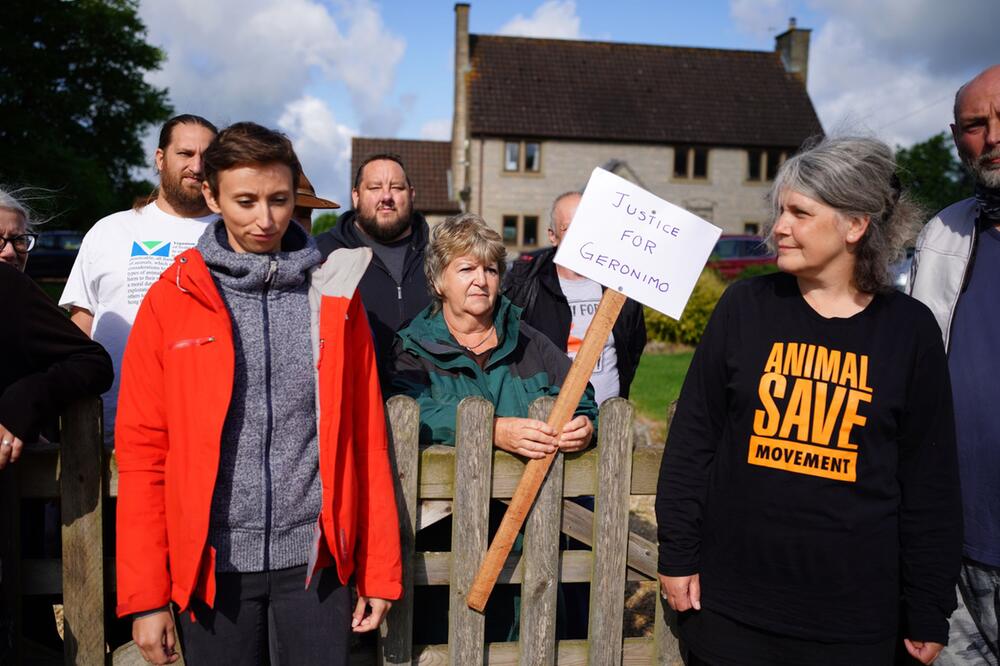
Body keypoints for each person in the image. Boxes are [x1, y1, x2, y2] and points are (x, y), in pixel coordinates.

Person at [656, 136, 962, 666]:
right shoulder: (746, 307)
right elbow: (693, 442)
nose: (779, 227)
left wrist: (928, 603)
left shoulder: (908, 331)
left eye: (799, 212)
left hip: (855, 622)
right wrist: (678, 553)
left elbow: (929, 480)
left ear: (855, 225)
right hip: (732, 611)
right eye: (780, 210)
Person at [114, 122, 401, 665]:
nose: (265, 219)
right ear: (211, 195)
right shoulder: (172, 298)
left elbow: (367, 441)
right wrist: (147, 597)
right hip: (212, 568)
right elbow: (144, 454)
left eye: (279, 200)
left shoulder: (335, 294)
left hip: (317, 566)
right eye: (245, 201)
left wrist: (378, 569)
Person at [390, 213, 597, 641]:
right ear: (439, 280)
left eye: (490, 268)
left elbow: (584, 396)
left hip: (533, 537)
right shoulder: (411, 348)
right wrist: (494, 431)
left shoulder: (530, 343)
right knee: (449, 640)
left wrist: (586, 425)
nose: (480, 280)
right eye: (466, 268)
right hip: (444, 538)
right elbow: (408, 411)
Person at [909, 64, 1000, 666]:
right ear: (956, 137)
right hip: (957, 545)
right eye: (976, 124)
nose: (992, 137)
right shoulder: (943, 232)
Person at [0, 189, 113, 661]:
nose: (8, 251)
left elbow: (92, 360)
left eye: (18, 240)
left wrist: (24, 398)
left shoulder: (10, 289)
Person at [60, 114, 219, 442]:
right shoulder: (110, 231)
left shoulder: (231, 236)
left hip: (206, 432)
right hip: (106, 428)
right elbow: (79, 328)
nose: (197, 165)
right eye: (185, 154)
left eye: (208, 157)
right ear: (160, 158)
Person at [504, 191, 646, 403]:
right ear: (553, 236)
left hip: (609, 420)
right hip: (546, 418)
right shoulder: (528, 285)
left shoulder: (619, 285)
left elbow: (632, 346)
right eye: (571, 227)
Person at [315, 153, 430, 380]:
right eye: (375, 187)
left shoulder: (440, 256)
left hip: (431, 405)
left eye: (397, 187)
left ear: (412, 194)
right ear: (356, 196)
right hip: (354, 402)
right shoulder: (322, 255)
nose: (386, 196)